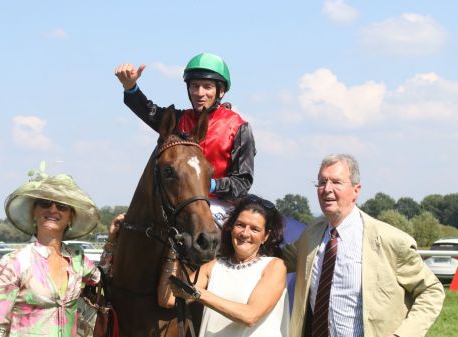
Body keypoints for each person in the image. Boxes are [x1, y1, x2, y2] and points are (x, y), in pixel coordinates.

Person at [282, 154, 445, 337]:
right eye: (321, 182)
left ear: (356, 190)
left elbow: (432, 291)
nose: (327, 189)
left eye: (336, 182)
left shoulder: (390, 240)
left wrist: (404, 335)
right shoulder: (310, 235)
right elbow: (278, 259)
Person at [114, 52, 256, 223]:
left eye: (207, 86)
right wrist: (131, 87)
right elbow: (148, 111)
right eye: (194, 86)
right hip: (178, 202)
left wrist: (208, 184)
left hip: (219, 205)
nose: (199, 93)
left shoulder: (239, 127)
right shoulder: (177, 120)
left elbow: (242, 182)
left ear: (221, 91)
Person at [0, 172, 102, 337]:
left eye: (62, 205)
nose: (53, 209)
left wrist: (113, 240)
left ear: (70, 217)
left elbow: (107, 278)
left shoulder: (78, 259)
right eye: (45, 203)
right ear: (34, 211)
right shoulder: (13, 263)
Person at [158, 194, 290, 337]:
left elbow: (250, 316)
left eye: (254, 229)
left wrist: (199, 294)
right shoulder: (214, 266)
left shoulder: (275, 266)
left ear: (265, 236)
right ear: (231, 228)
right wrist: (173, 252)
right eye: (240, 225)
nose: (245, 233)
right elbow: (169, 299)